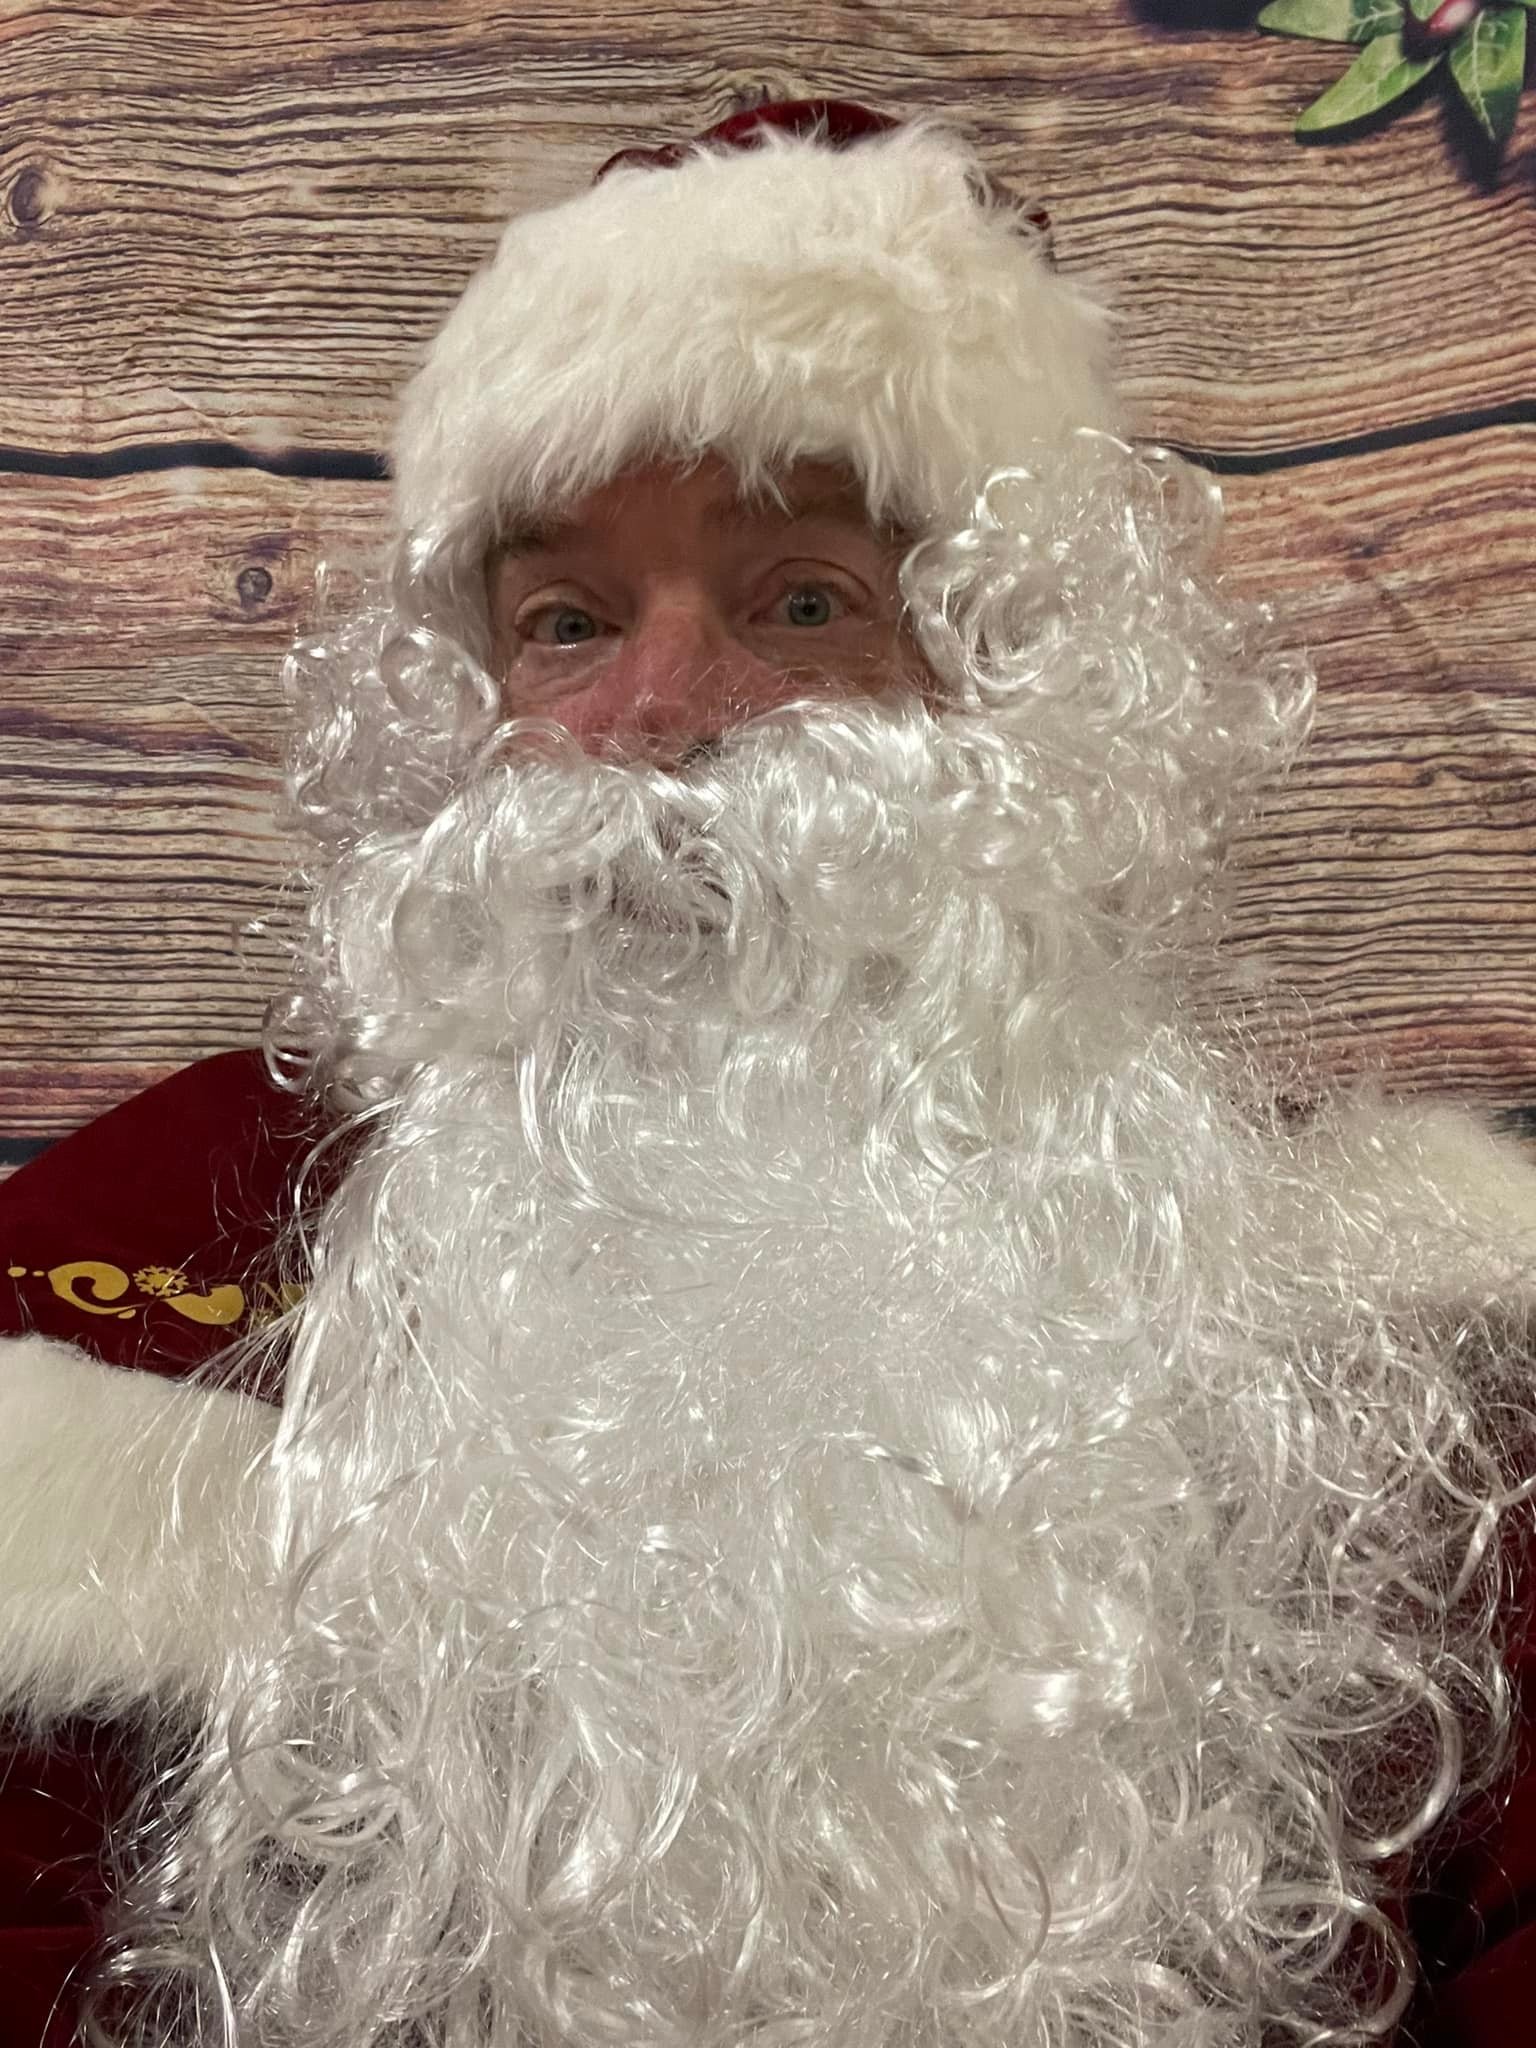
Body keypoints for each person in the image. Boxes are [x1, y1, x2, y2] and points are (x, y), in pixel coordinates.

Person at [2, 98, 1536, 2048]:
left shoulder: (1393, 1344)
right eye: (566, 622)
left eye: (802, 598)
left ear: (1026, 692)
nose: (657, 715)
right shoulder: (140, 1251)